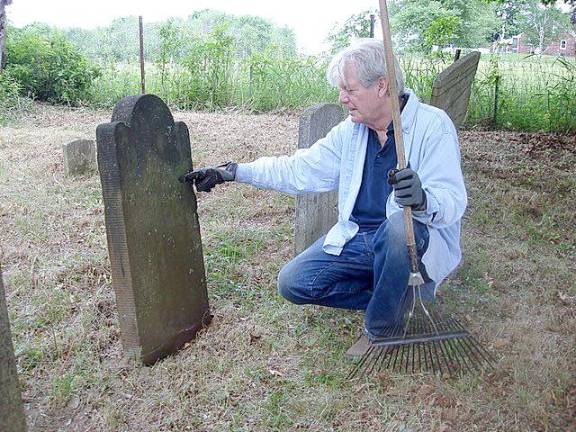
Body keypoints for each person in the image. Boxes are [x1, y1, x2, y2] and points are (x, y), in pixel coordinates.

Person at [181, 39, 467, 355]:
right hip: (359, 238)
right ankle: (402, 298)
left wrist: (424, 200)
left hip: (411, 243)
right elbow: (299, 169)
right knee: (294, 283)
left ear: (382, 86)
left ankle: (381, 329)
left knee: (399, 226)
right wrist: (232, 172)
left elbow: (453, 201)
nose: (342, 98)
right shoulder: (352, 131)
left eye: (350, 89)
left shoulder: (433, 126)